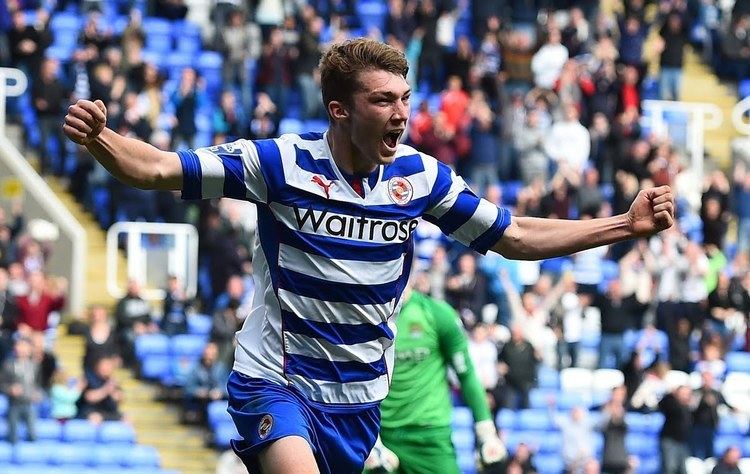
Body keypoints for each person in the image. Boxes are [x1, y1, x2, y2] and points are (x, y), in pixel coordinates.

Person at [63, 38, 675, 474]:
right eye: (383, 101)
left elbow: (512, 237)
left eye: (405, 98)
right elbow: (159, 168)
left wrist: (624, 224)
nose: (402, 114)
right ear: (340, 110)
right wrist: (100, 138)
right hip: (279, 383)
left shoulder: (422, 179)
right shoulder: (279, 164)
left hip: (358, 402)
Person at [363, 287, 506, 474]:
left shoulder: (437, 313)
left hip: (431, 438)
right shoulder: (362, 317)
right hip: (380, 439)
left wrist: (486, 431)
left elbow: (466, 374)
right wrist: (370, 439)